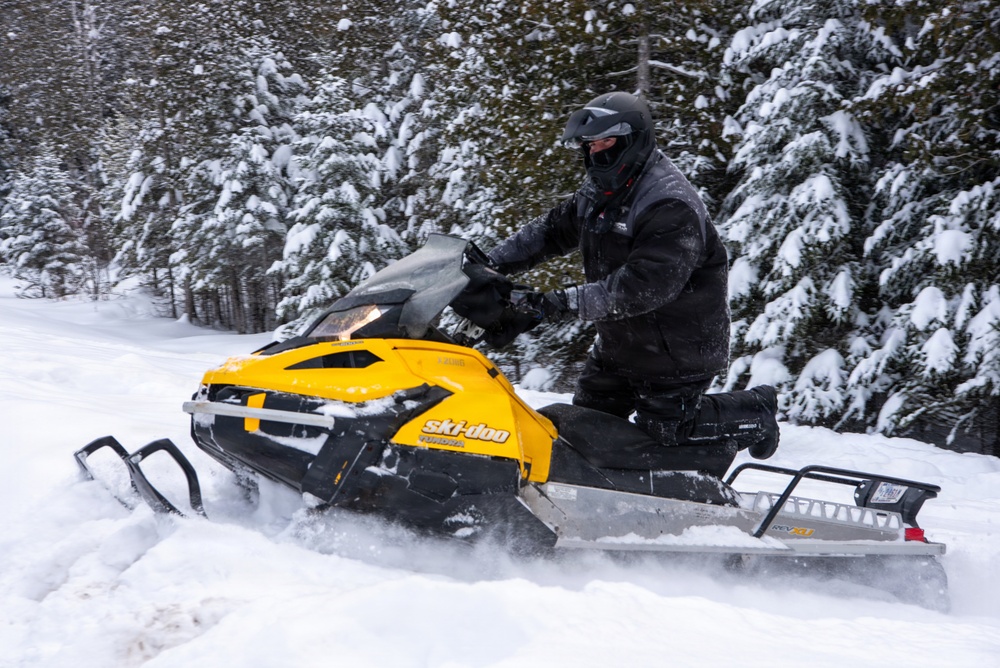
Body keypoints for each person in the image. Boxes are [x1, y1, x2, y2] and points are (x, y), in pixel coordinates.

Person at [485, 91, 779, 459]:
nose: (595, 153)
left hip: (677, 348)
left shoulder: (669, 204)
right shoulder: (603, 190)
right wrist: (487, 264)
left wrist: (555, 303)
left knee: (667, 429)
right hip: (621, 343)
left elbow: (644, 287)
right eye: (590, 145)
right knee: (583, 430)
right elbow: (550, 231)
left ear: (632, 140)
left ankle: (757, 410)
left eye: (605, 142)